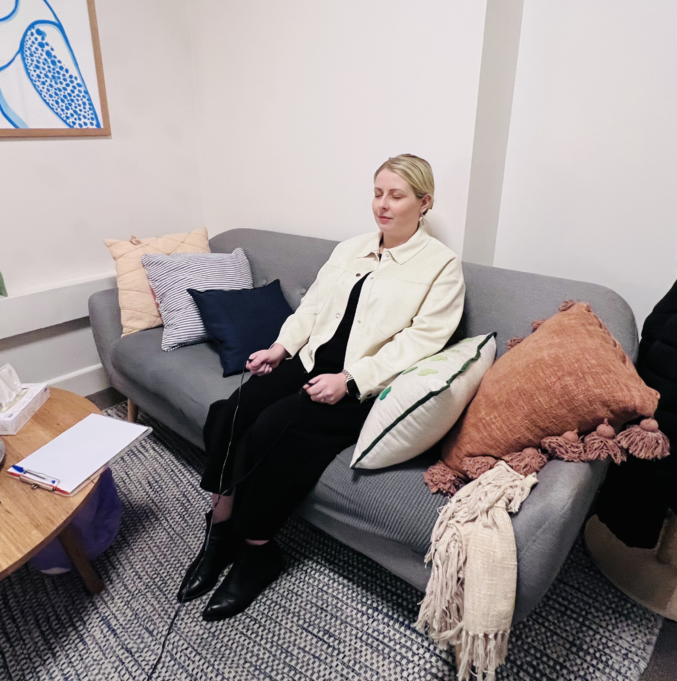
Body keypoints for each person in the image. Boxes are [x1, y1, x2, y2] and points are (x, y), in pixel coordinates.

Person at [180, 154, 466, 621]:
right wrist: (280, 347)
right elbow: (312, 308)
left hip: (360, 383)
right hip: (311, 360)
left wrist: (352, 380)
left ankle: (257, 551)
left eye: (396, 195)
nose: (383, 205)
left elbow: (423, 342)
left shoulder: (441, 266)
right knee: (235, 408)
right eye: (378, 193)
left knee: (274, 427)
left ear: (424, 201)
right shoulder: (351, 248)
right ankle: (221, 528)